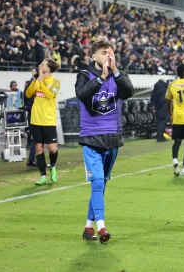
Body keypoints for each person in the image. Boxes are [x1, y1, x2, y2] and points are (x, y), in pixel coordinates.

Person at [75, 38, 134, 243]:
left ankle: (87, 228)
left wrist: (115, 71)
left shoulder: (119, 76)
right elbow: (82, 94)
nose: (107, 56)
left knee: (101, 185)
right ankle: (102, 228)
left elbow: (129, 92)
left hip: (113, 138)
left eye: (110, 52)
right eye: (103, 52)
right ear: (93, 56)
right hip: (91, 138)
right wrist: (101, 78)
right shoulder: (84, 75)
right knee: (98, 183)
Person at [25, 58, 60, 185]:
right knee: (39, 148)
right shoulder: (37, 80)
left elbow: (50, 95)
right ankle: (43, 176)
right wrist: (35, 80)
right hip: (35, 119)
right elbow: (28, 94)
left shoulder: (55, 82)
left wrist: (40, 80)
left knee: (52, 149)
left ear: (48, 69)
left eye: (42, 64)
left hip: (49, 120)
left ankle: (53, 166)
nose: (40, 65)